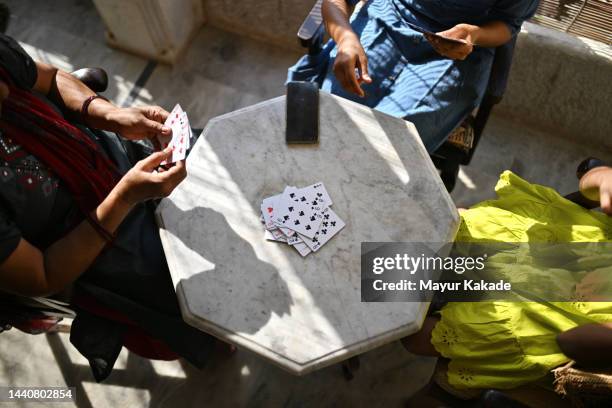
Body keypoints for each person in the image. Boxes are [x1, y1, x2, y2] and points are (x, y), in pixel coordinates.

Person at [0, 34, 214, 380]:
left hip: (105, 160)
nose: (9, 90)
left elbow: (51, 78)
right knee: (195, 293)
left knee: (209, 175)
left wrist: (110, 114)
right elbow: (42, 274)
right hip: (85, 247)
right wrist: (125, 197)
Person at [401, 166, 612, 390]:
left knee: (410, 326)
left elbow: (571, 343)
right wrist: (603, 178)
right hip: (506, 242)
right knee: (411, 233)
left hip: (513, 319)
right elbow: (591, 183)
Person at [288, 0, 540, 152]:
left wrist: (474, 34)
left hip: (455, 50)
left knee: (396, 134)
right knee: (330, 114)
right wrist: (345, 38)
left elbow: (508, 24)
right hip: (389, 18)